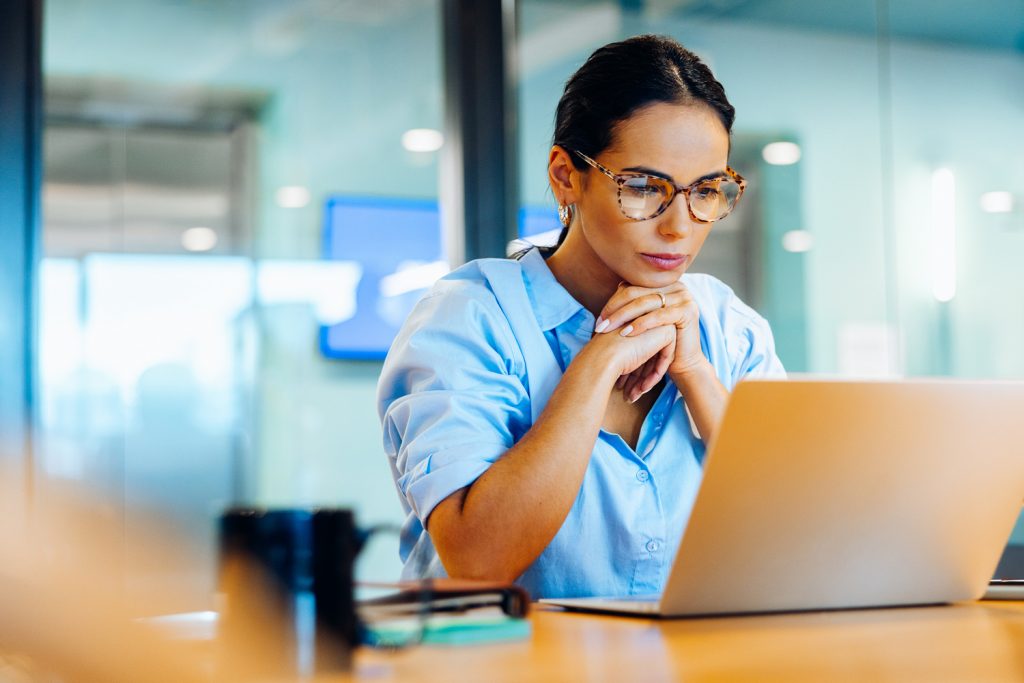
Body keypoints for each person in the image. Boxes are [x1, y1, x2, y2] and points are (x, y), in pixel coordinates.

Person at [376, 34, 785, 599]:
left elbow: (794, 530)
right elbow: (477, 559)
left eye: (707, 191)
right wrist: (597, 364)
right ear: (567, 175)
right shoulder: (470, 318)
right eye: (643, 187)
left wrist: (695, 374)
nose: (679, 227)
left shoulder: (726, 324)